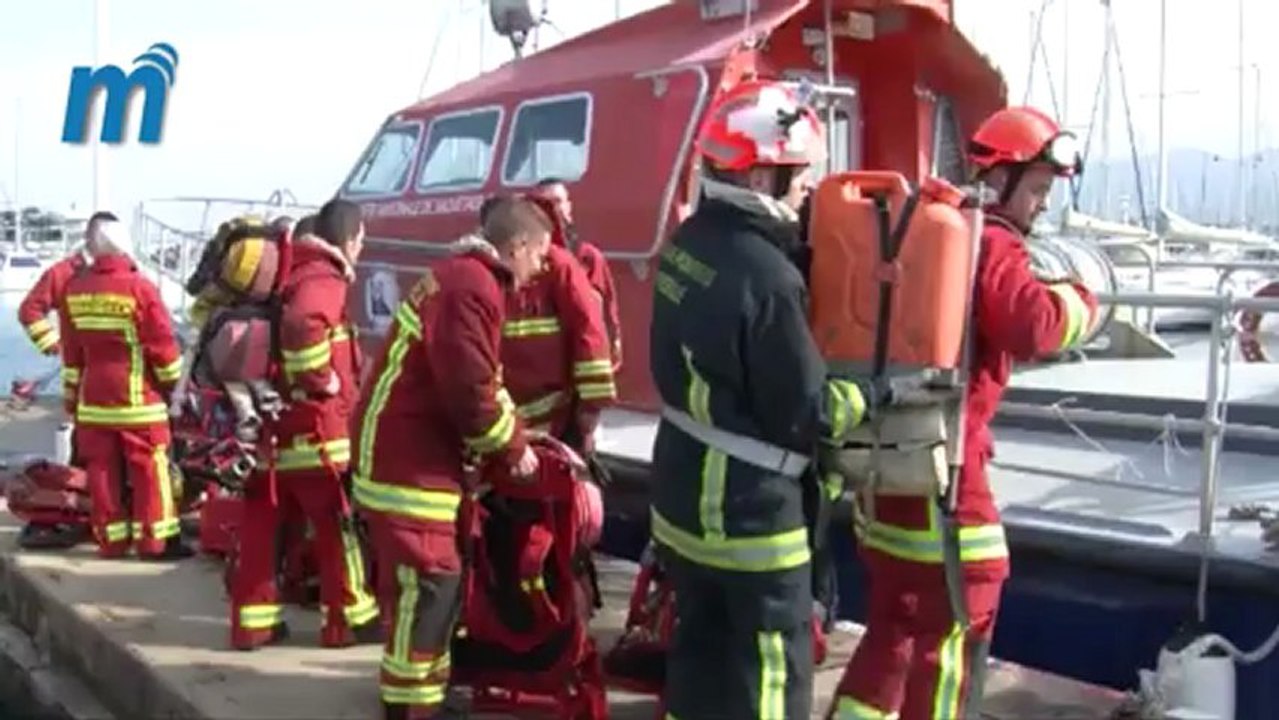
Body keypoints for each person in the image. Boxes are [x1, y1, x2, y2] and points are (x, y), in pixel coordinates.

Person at [648, 77, 933, 720]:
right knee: (773, 674)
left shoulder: (685, 246)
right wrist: (876, 391)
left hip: (680, 504)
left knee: (698, 659)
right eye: (797, 174)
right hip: (751, 522)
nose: (804, 188)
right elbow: (809, 413)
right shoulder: (771, 279)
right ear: (758, 180)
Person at [826, 106, 1100, 720]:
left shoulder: (921, 225)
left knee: (893, 626)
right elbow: (1030, 324)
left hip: (887, 465)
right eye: (1036, 189)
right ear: (1000, 179)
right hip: (948, 474)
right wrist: (1083, 301)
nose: (1041, 205)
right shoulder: (992, 240)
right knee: (960, 620)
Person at [352, 196, 551, 720]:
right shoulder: (473, 287)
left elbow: (486, 380)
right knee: (433, 579)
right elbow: (470, 391)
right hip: (408, 464)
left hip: (402, 455)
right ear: (520, 246)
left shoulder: (463, 279)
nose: (540, 270)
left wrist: (519, 435)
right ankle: (412, 705)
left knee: (418, 587)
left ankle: (419, 690)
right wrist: (513, 451)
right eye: (539, 257)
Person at [227, 199, 379, 650]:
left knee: (263, 532)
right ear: (349, 239)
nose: (362, 247)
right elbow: (303, 327)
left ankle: (253, 624)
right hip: (317, 433)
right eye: (361, 239)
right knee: (339, 528)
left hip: (278, 429)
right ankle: (347, 622)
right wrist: (324, 378)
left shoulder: (290, 277)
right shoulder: (323, 279)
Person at [61, 218, 187, 559]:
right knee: (149, 469)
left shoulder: (74, 289)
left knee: (101, 471)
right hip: (138, 400)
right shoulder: (139, 289)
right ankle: (155, 542)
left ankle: (111, 541)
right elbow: (162, 347)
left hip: (93, 399)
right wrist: (177, 386)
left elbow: (71, 353)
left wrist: (71, 397)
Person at [496, 191, 616, 454]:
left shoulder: (562, 267)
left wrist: (590, 408)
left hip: (555, 422)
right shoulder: (491, 276)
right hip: (505, 424)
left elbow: (589, 332)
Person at [534, 178, 623, 371]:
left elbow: (607, 309)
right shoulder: (525, 259)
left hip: (585, 359)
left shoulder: (589, 257)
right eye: (545, 204)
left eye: (558, 201)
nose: (553, 209)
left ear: (569, 206)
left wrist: (612, 346)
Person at [18, 211, 116, 359]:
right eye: (100, 234)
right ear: (87, 235)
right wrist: (52, 345)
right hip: (77, 364)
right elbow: (29, 310)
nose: (104, 240)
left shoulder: (125, 272)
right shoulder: (63, 272)